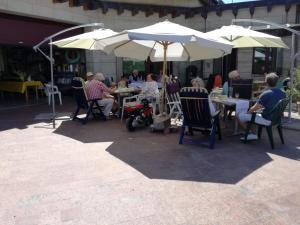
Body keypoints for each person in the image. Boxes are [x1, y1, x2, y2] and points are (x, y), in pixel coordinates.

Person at [237, 73, 286, 140]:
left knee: (239, 115)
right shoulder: (283, 93)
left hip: (267, 119)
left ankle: (250, 133)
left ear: (266, 82)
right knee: (253, 115)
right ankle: (253, 132)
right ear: (276, 82)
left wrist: (248, 113)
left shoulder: (267, 93)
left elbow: (255, 108)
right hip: (277, 119)